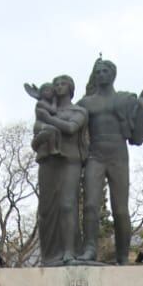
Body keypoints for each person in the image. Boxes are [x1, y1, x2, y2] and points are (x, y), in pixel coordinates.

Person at [78, 58, 143, 264]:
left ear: (113, 74)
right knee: (91, 205)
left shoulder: (126, 100)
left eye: (104, 71)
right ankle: (90, 249)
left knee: (120, 209)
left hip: (118, 156)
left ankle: (122, 256)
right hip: (95, 155)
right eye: (97, 71)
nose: (101, 74)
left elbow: (137, 138)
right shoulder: (86, 103)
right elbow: (70, 123)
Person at [27, 74, 89, 265]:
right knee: (46, 209)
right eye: (56, 84)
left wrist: (48, 121)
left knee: (67, 205)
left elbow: (71, 129)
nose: (59, 87)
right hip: (48, 161)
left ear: (71, 88)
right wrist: (44, 126)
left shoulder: (79, 111)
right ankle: (50, 255)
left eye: (63, 84)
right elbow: (35, 139)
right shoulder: (44, 110)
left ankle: (69, 251)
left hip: (70, 161)